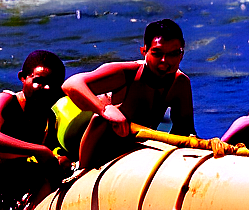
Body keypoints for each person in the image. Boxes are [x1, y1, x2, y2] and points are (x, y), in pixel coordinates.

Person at [62, 19, 195, 169]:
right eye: (157, 53)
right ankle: (82, 169)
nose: (164, 61)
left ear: (182, 54)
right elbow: (71, 84)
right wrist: (105, 110)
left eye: (173, 54)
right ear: (144, 51)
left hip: (131, 147)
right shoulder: (127, 74)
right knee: (100, 119)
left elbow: (186, 130)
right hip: (90, 147)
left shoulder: (180, 83)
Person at [0, 50, 71, 210]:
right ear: (23, 77)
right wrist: (39, 151)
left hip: (9, 185)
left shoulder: (48, 118)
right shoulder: (5, 101)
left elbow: (50, 159)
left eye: (53, 83)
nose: (47, 88)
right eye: (39, 81)